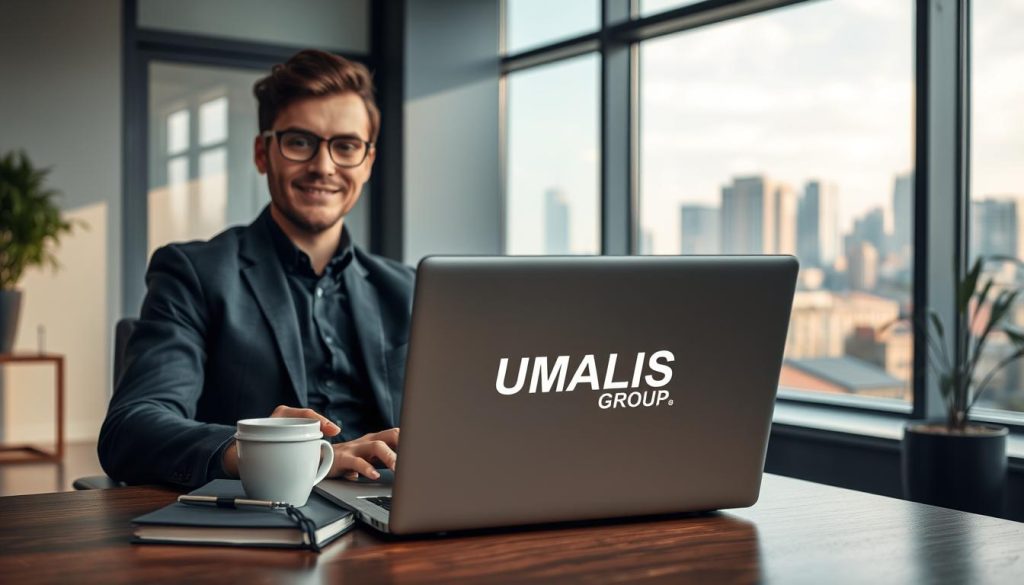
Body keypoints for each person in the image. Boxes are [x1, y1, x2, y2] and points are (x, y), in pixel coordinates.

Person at [99, 50, 413, 488]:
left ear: (368, 162)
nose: (323, 166)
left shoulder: (409, 289)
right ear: (263, 153)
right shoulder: (193, 273)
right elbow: (130, 429)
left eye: (345, 146)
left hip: (396, 518)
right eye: (300, 142)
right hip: (263, 522)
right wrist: (271, 451)